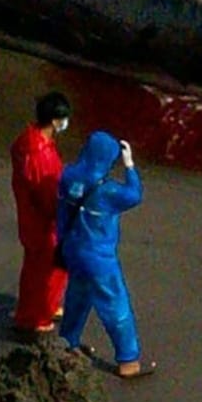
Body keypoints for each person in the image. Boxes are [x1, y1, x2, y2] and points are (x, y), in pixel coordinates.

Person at [56, 131, 154, 379]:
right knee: (115, 306)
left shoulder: (68, 177)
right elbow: (134, 195)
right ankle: (128, 360)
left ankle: (68, 343)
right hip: (99, 257)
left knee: (77, 297)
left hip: (72, 249)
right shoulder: (108, 192)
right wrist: (129, 166)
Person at [9, 92, 72, 339]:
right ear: (56, 120)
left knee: (39, 267)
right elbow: (47, 195)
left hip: (32, 217)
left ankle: (43, 308)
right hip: (44, 222)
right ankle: (33, 318)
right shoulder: (39, 153)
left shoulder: (27, 141)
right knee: (46, 269)